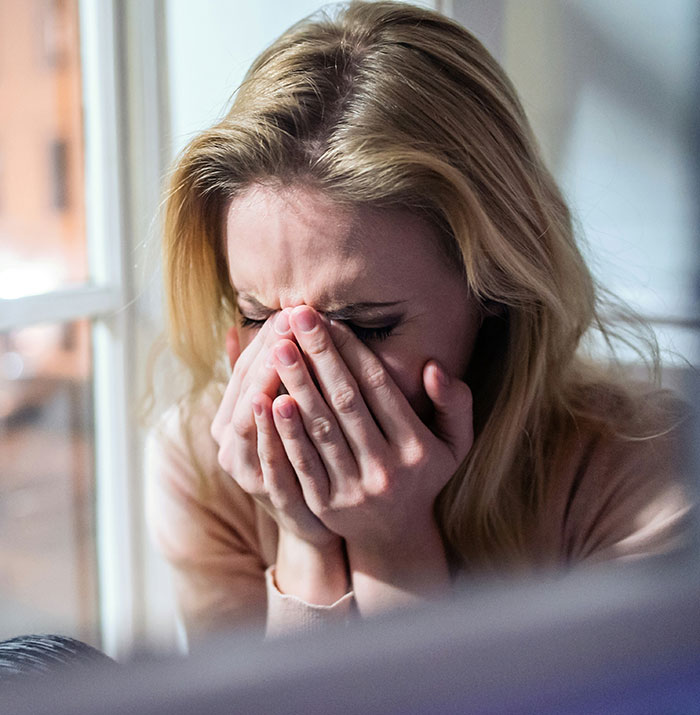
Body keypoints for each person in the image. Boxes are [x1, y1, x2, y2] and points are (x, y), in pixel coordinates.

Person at [145, 0, 691, 641]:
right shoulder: (203, 466)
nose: (294, 375)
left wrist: (394, 547)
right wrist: (304, 546)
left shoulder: (639, 475)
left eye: (368, 325)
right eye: (257, 315)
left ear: (496, 289)